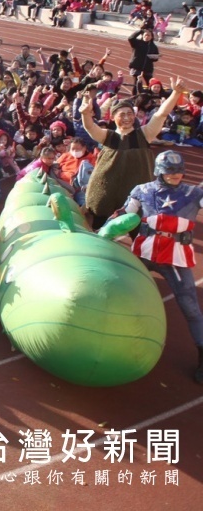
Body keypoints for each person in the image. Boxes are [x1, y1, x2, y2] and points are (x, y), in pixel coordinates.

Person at [119, 151, 203, 384]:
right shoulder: (142, 190)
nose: (175, 175)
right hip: (144, 253)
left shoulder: (194, 193)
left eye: (178, 171)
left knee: (191, 309)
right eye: (170, 171)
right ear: (159, 171)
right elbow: (124, 216)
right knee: (122, 293)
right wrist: (102, 233)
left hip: (175, 258)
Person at [81, 80, 184, 227]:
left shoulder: (144, 134)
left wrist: (175, 93)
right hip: (105, 192)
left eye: (130, 114)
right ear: (112, 117)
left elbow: (161, 114)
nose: (127, 118)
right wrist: (86, 114)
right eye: (121, 114)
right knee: (99, 226)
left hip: (135, 195)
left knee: (136, 226)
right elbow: (90, 127)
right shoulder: (107, 136)